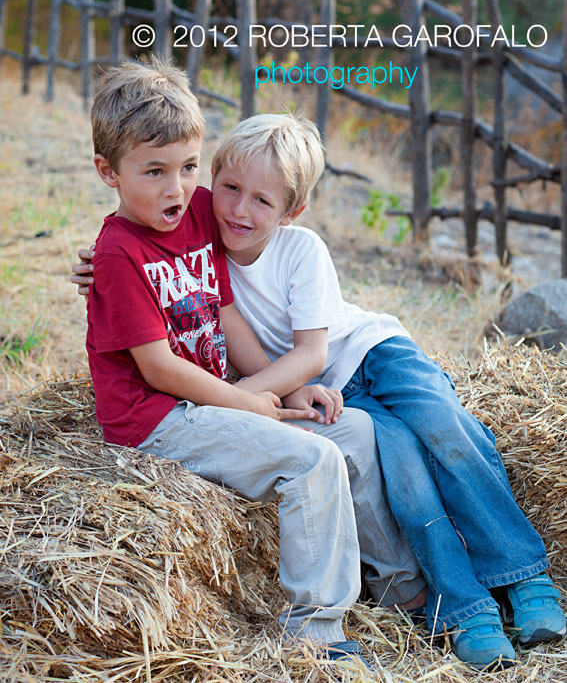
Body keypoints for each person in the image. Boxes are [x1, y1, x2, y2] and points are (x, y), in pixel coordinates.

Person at [74, 110, 565, 670]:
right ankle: (457, 604)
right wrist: (97, 264)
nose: (239, 208)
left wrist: (259, 398)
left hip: (365, 352)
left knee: (446, 430)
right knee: (397, 461)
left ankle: (524, 576)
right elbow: (139, 219)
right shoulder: (198, 216)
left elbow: (313, 350)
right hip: (313, 385)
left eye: (262, 200)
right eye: (228, 189)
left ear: (292, 208)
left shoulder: (283, 240)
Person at [80, 57, 428, 670]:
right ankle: (315, 634)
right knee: (311, 461)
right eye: (154, 172)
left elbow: (227, 317)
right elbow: (158, 369)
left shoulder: (195, 212)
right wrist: (244, 400)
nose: (176, 188)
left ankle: (402, 595)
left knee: (355, 433)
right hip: (159, 417)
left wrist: (287, 394)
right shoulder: (118, 253)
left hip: (214, 396)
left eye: (189, 167)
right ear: (109, 171)